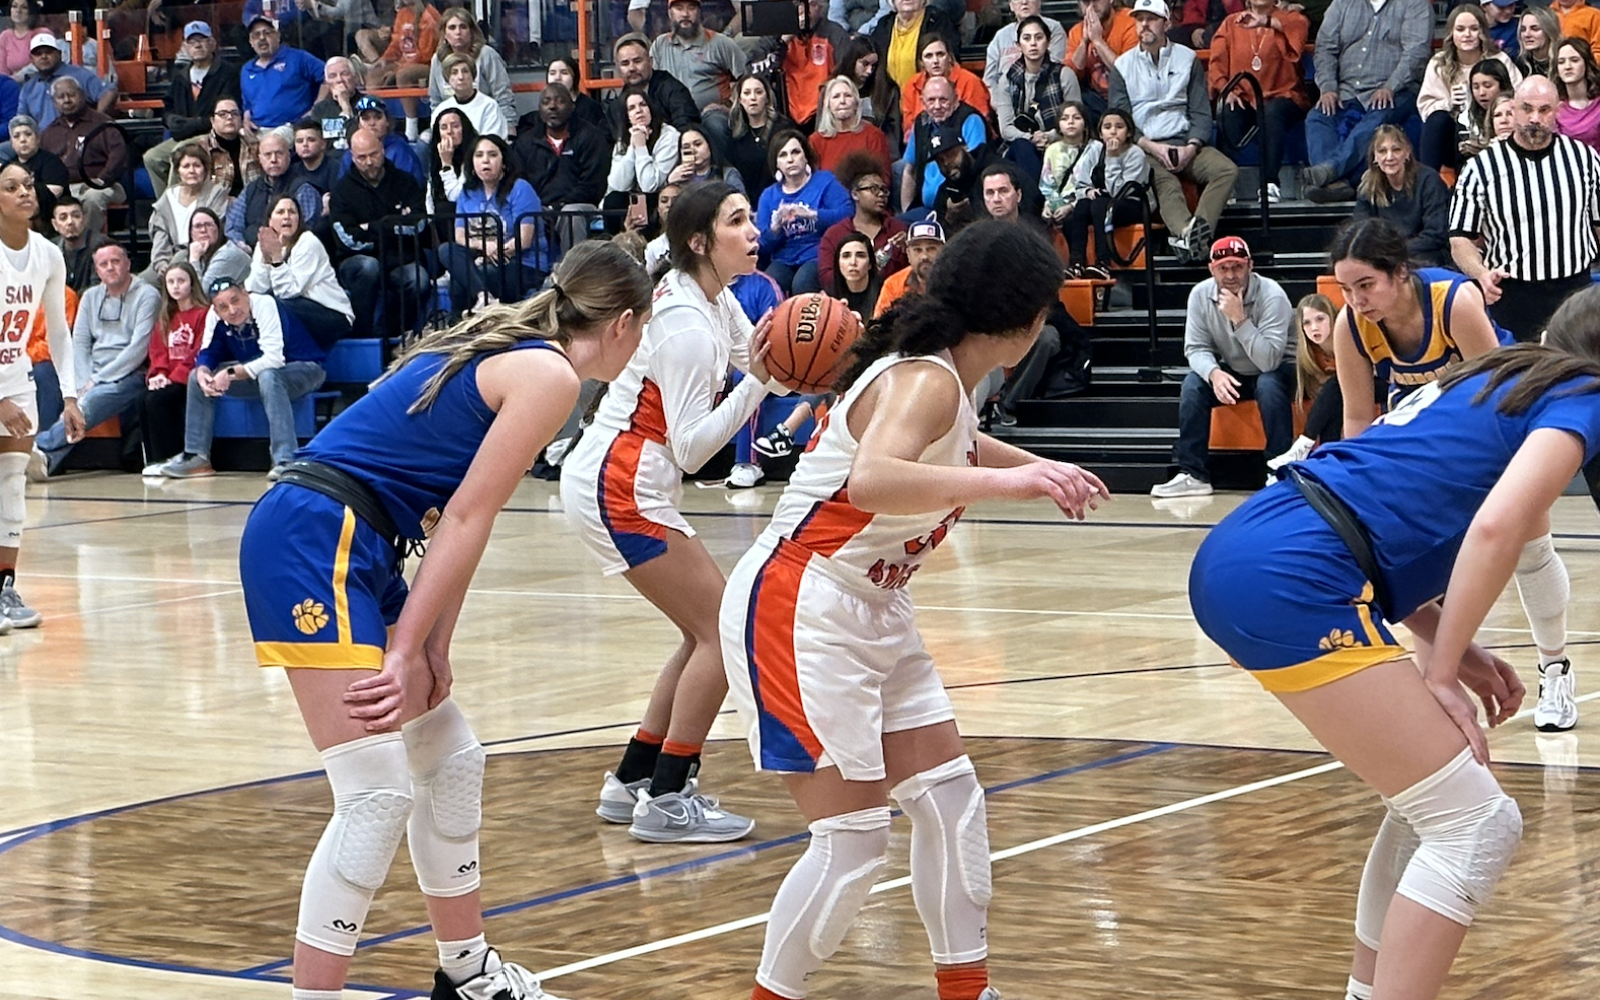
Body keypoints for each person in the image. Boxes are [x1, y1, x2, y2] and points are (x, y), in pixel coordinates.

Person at [235, 241, 650, 1000]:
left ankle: (469, 975)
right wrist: (405, 648)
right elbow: (465, 516)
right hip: (313, 533)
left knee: (450, 758)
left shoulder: (519, 350)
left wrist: (431, 643)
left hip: (355, 537)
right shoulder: (550, 375)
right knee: (375, 793)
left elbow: (455, 520)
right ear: (624, 323)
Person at [722, 219, 1106, 1000]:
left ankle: (967, 991)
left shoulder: (945, 378)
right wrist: (1016, 485)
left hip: (871, 603)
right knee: (853, 843)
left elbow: (955, 444)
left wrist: (1041, 464)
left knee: (953, 802)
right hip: (802, 601)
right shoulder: (927, 379)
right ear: (1031, 321)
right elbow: (871, 480)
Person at [1187, 285, 1600, 1000]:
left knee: (1430, 805)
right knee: (1478, 824)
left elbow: (1384, 509)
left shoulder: (1486, 376)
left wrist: (1453, 645)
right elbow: (1499, 528)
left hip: (1265, 542)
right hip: (1296, 573)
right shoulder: (1582, 396)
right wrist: (1441, 670)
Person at [560, 181, 780, 844]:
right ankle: (669, 795)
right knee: (725, 629)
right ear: (699, 242)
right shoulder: (683, 325)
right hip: (622, 482)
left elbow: (765, 357)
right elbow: (690, 448)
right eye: (737, 221)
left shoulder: (714, 301)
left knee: (702, 633)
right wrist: (764, 386)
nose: (752, 229)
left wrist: (832, 354)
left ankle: (634, 780)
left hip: (621, 481)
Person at [1451, 75, 1600, 344]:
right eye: (1527, 108)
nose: (1534, 118)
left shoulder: (1585, 159)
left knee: (1575, 376)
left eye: (1544, 110)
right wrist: (1481, 274)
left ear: (1557, 112)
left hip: (1573, 290)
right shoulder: (1481, 167)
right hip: (1512, 293)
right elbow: (1459, 238)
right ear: (1514, 108)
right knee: (1519, 379)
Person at [0, 160, 81, 628]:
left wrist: (70, 396)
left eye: (27, 184)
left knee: (12, 483)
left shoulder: (48, 254)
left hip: (17, 376)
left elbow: (58, 332)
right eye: (11, 187)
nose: (24, 192)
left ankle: (4, 587)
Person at [1152, 235, 1294, 498]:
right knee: (1194, 384)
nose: (1231, 275)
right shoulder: (1200, 295)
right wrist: (1214, 373)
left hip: (1280, 369)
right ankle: (1193, 474)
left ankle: (1279, 470)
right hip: (1235, 369)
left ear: (1250, 266)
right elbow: (1195, 348)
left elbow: (1269, 361)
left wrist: (1239, 319)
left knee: (1268, 383)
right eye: (1223, 268)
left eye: (1237, 267)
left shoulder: (1273, 295)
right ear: (1212, 269)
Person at [154, 278, 328, 479]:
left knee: (269, 375)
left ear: (246, 294)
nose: (232, 310)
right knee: (195, 376)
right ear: (216, 310)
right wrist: (203, 371)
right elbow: (209, 351)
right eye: (223, 307)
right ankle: (196, 456)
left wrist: (230, 374)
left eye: (235, 300)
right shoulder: (214, 316)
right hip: (260, 375)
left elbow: (274, 358)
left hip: (305, 369)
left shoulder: (265, 304)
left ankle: (285, 458)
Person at [1108, 0, 1238, 263]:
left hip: (1184, 140)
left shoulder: (1187, 58)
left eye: (1151, 18)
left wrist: (1191, 147)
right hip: (1145, 145)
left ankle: (1192, 235)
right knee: (1166, 184)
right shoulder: (1122, 66)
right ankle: (1190, 234)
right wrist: (1154, 147)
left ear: (1166, 23)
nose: (1144, 24)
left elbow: (1201, 112)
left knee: (1226, 170)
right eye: (1139, 18)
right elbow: (1121, 120)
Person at [30, 244, 158, 478]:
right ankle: (45, 461)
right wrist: (82, 382)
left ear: (128, 264)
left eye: (116, 261)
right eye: (103, 264)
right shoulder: (90, 296)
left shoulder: (147, 295)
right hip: (91, 374)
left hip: (132, 374)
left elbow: (138, 349)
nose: (110, 267)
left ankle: (37, 447)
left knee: (90, 401)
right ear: (97, 270)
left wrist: (96, 381)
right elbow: (79, 343)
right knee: (69, 389)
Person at [1302, 0, 1433, 202]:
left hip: (1397, 90)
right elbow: (1325, 48)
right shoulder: (1342, 4)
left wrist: (1391, 86)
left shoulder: (1415, 4)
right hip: (1346, 91)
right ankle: (1335, 184)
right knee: (1317, 117)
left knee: (1378, 117)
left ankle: (1331, 171)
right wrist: (1328, 87)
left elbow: (1416, 53)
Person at [332, 129, 436, 340]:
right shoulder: (341, 191)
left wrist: (371, 227)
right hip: (357, 260)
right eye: (362, 157)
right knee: (370, 268)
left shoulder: (405, 181)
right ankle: (363, 335)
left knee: (420, 279)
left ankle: (395, 334)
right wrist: (393, 226)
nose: (369, 161)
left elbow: (419, 224)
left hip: (401, 258)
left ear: (382, 150)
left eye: (373, 154)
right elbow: (347, 239)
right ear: (352, 157)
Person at [1208, 0, 1311, 203]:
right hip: (1244, 97)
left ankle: (1270, 182)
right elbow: (1216, 66)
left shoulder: (1291, 18)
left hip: (1284, 96)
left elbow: (1297, 37)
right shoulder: (1231, 23)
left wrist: (1266, 21)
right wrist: (1226, 90)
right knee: (1228, 111)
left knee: (1272, 112)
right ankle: (1226, 186)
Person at [442, 134, 548, 316]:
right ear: (472, 164)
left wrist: (496, 251)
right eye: (479, 155)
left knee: (461, 281)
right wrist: (483, 247)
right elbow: (460, 237)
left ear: (504, 162)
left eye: (492, 155)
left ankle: (462, 322)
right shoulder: (467, 194)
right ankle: (484, 298)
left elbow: (524, 240)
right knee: (447, 250)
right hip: (483, 260)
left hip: (523, 264)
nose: (485, 160)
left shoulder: (520, 188)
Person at [1416, 5, 1523, 173]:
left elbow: (1518, 97)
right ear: (1452, 33)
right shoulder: (1439, 63)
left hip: (1492, 129)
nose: (1467, 35)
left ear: (1482, 32)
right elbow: (1425, 108)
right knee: (1437, 119)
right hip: (1453, 134)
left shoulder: (1499, 59)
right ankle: (1429, 182)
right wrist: (1449, 102)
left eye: (1474, 29)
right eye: (1460, 29)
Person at [143, 22, 242, 200]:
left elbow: (226, 110)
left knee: (181, 153)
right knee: (152, 158)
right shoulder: (180, 75)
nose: (197, 45)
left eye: (202, 40)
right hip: (184, 134)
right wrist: (170, 119)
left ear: (212, 43)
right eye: (192, 41)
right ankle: (166, 206)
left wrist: (192, 124)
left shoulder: (227, 72)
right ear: (186, 47)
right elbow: (168, 105)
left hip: (212, 136)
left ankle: (179, 208)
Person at [249, 194, 355, 347]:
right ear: (270, 220)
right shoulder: (265, 244)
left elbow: (289, 292)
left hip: (333, 316)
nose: (287, 217)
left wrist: (277, 260)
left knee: (274, 305)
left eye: (292, 212)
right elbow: (256, 289)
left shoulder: (307, 242)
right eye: (280, 212)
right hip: (297, 313)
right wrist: (265, 260)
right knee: (254, 304)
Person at [756, 129, 853, 294]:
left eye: (795, 152)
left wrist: (811, 214)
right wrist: (775, 229)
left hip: (817, 252)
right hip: (783, 258)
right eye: (783, 155)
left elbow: (848, 214)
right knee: (770, 284)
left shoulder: (825, 181)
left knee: (803, 282)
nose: (790, 159)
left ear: (805, 156)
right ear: (776, 163)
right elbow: (762, 245)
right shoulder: (769, 196)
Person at [512, 84, 608, 246]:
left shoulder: (590, 136)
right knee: (525, 213)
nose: (552, 107)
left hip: (578, 206)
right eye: (546, 102)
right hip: (539, 207)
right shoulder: (525, 142)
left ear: (572, 107)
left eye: (560, 101)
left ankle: (571, 270)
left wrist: (558, 206)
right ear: (539, 109)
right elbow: (519, 182)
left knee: (571, 215)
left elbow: (593, 185)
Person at [1061, 107, 1147, 279]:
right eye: (1107, 127)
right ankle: (1076, 263)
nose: (1113, 131)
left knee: (1100, 204)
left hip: (1132, 204)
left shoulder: (1136, 154)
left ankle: (1103, 263)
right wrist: (1088, 191)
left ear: (1129, 132)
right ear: (1101, 134)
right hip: (1101, 204)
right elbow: (1080, 186)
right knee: (1082, 207)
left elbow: (1120, 191)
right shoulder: (1095, 151)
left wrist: (1113, 157)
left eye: (1119, 127)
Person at [994, 16, 1082, 182]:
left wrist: (1049, 136)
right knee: (1022, 147)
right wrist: (1031, 139)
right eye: (1026, 38)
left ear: (1048, 42)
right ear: (1019, 45)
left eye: (1039, 37)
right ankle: (1035, 200)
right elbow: (1006, 128)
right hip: (1021, 146)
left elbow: (1077, 119)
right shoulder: (1007, 79)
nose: (1033, 43)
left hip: (1060, 141)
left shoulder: (1064, 75)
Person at [139, 262, 208, 471]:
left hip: (189, 376)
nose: (176, 286)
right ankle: (153, 459)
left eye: (181, 281)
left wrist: (173, 377)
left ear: (192, 284)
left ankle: (170, 456)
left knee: (159, 401)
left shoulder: (203, 314)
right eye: (171, 282)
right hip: (168, 377)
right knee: (142, 400)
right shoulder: (166, 317)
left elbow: (198, 350)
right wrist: (158, 374)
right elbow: (158, 351)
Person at [1353, 126, 1452, 266]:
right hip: (1384, 255)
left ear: (1407, 153)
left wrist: (1394, 251)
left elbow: (1436, 233)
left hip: (1424, 253)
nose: (1389, 157)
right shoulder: (1368, 185)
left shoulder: (1428, 179)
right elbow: (1362, 230)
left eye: (1396, 150)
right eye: (1382, 151)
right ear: (1375, 157)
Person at [38, 77, 125, 236]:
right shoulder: (49, 132)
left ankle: (86, 246)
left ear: (82, 95)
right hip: (65, 188)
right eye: (60, 97)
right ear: (54, 102)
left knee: (93, 197)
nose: (66, 100)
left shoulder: (103, 123)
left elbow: (119, 155)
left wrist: (100, 180)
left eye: (71, 95)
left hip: (103, 185)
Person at [1266, 293, 1342, 470]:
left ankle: (1304, 444)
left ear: (1332, 317)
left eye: (1320, 319)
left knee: (1335, 384)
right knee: (1333, 402)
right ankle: (1325, 463)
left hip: (1376, 383)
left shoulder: (1346, 339)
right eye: (1307, 323)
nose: (1314, 327)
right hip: (1338, 396)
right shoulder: (1308, 352)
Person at [225, 132, 324, 263]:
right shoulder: (251, 189)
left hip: (290, 256)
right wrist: (243, 246)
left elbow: (303, 229)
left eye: (279, 153)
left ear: (288, 156)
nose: (273, 159)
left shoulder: (303, 188)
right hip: (249, 254)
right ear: (259, 158)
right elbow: (232, 226)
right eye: (267, 155)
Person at [817, 151, 908, 291]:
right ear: (855, 194)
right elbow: (826, 279)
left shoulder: (898, 230)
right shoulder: (835, 234)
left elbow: (909, 275)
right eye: (873, 189)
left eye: (884, 190)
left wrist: (909, 249)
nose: (881, 194)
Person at [145, 142, 230, 284]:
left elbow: (213, 233)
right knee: (143, 284)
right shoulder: (168, 198)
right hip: (169, 257)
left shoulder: (216, 194)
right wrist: (162, 264)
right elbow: (160, 237)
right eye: (186, 166)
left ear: (205, 170)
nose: (192, 170)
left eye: (197, 165)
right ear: (178, 171)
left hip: (204, 256)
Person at [902, 76, 987, 214]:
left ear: (955, 99)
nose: (937, 106)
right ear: (923, 102)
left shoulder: (970, 119)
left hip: (958, 209)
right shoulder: (920, 122)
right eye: (931, 100)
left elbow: (977, 167)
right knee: (900, 224)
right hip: (925, 209)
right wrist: (906, 209)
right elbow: (909, 170)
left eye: (943, 100)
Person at [428, 7, 517, 138]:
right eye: (452, 28)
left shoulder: (487, 55)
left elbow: (503, 96)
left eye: (463, 27)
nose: (458, 32)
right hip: (449, 129)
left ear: (471, 32)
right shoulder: (437, 60)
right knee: (422, 144)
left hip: (485, 123)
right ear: (444, 34)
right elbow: (435, 102)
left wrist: (510, 128)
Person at [650, 0, 746, 114]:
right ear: (670, 13)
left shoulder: (721, 43)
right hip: (673, 116)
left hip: (712, 115)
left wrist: (729, 106)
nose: (685, 14)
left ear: (699, 12)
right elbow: (652, 84)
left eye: (691, 8)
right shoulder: (660, 44)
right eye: (679, 9)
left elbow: (747, 79)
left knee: (716, 123)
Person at [365, 0, 441, 140]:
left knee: (404, 75)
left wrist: (397, 69)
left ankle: (412, 126)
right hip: (403, 62)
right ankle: (376, 124)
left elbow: (426, 54)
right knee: (373, 75)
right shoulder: (402, 14)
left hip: (428, 64)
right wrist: (384, 60)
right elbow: (395, 44)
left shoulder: (430, 15)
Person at [240, 16, 325, 135]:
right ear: (251, 42)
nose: (262, 38)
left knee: (273, 143)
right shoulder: (247, 69)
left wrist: (316, 108)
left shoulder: (298, 58)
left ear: (278, 36)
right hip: (257, 129)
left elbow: (328, 76)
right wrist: (246, 120)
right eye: (256, 35)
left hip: (291, 127)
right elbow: (247, 105)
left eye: (267, 33)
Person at [609, 32, 700, 140]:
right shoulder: (617, 105)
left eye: (637, 61)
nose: (632, 68)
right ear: (618, 69)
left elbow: (686, 126)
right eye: (625, 63)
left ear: (650, 62)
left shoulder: (672, 89)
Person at [606, 86, 681, 211]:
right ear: (627, 116)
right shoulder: (623, 139)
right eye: (632, 108)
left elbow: (650, 186)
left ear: (651, 109)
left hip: (659, 197)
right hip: (634, 196)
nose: (639, 110)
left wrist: (641, 147)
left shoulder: (669, 135)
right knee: (613, 200)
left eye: (643, 105)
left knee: (648, 199)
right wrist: (632, 146)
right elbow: (618, 185)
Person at [17, 32, 112, 129]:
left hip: (76, 136)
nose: (43, 56)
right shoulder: (28, 88)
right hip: (42, 140)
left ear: (59, 54)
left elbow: (109, 92)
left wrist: (95, 121)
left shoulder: (79, 74)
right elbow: (22, 121)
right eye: (38, 54)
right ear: (31, 59)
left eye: (49, 52)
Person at [901, 34, 992, 133]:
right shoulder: (912, 84)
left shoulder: (970, 81)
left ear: (949, 57)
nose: (935, 61)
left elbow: (979, 122)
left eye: (940, 54)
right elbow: (909, 128)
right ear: (921, 62)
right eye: (929, 56)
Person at [1066, 0, 1141, 119]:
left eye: (1096, 0)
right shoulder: (1076, 32)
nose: (1091, 7)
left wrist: (1097, 40)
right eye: (1086, 2)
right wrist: (1084, 42)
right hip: (1096, 99)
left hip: (1129, 93)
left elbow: (1128, 71)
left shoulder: (1129, 21)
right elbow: (1069, 76)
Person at [808, 76, 889, 180]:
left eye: (848, 96)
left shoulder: (874, 136)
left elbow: (883, 177)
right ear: (828, 105)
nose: (842, 101)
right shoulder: (816, 141)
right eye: (836, 96)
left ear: (856, 103)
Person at [985, 0, 1067, 92]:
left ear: (1039, 2)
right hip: (1004, 95)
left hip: (1044, 92)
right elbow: (989, 79)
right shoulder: (1001, 36)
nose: (1024, 2)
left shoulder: (1053, 29)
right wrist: (998, 102)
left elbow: (1054, 70)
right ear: (1011, 5)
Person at [188, 96, 258, 199]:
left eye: (234, 113)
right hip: (214, 206)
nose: (229, 118)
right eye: (222, 114)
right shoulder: (200, 149)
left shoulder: (255, 146)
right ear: (212, 121)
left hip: (252, 204)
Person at [430, 52, 508, 141]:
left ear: (473, 76)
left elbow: (492, 142)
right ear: (447, 79)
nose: (461, 77)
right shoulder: (442, 109)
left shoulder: (489, 106)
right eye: (454, 72)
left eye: (465, 71)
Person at [875, 217, 943, 314]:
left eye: (931, 249)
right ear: (908, 254)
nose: (924, 256)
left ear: (943, 250)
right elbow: (879, 325)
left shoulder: (956, 281)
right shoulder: (893, 285)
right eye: (917, 250)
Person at [1039, 101, 1089, 227]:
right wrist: (1048, 206)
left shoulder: (1096, 148)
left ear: (1085, 123)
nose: (1070, 122)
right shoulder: (1052, 149)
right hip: (1059, 203)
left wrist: (1071, 207)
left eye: (1076, 118)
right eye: (1065, 118)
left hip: (1084, 203)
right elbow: (1047, 185)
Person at [4, 113, 62, 221]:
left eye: (28, 134)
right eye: (16, 136)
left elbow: (54, 193)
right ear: (11, 143)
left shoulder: (51, 162)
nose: (23, 140)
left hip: (47, 219)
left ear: (38, 138)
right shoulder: (9, 166)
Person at [1457, 60, 1517, 161]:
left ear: (1502, 86)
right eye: (1476, 87)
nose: (1481, 93)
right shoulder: (1466, 120)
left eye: (1488, 86)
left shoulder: (1520, 111)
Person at [48, 195, 109, 292]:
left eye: (76, 216)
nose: (70, 222)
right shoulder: (50, 249)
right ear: (55, 224)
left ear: (84, 220)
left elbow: (99, 288)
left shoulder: (102, 246)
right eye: (63, 218)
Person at [184, 207, 248, 290]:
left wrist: (194, 259)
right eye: (198, 226)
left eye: (208, 225)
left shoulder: (227, 254)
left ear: (218, 229)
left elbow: (202, 295)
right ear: (191, 233)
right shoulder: (189, 254)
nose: (203, 230)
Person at [1555, 37, 1600, 152]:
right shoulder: (1555, 108)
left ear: (1586, 63)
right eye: (1561, 62)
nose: (1567, 66)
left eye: (1574, 60)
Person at [543, 56, 608, 136]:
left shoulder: (590, 107)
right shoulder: (544, 107)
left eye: (564, 72)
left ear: (575, 77)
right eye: (552, 73)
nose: (557, 78)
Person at [311, 55, 363, 152]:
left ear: (355, 78)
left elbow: (363, 141)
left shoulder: (367, 104)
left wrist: (346, 107)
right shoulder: (320, 109)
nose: (339, 80)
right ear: (327, 83)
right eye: (332, 76)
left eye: (344, 74)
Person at [669, 123, 743, 191]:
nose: (693, 150)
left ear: (709, 145)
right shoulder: (676, 178)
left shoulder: (727, 174)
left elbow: (741, 202)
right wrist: (671, 183)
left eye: (698, 144)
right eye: (686, 147)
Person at [828, 229, 883, 317]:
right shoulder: (828, 298)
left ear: (870, 264)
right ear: (838, 263)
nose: (853, 262)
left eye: (860, 255)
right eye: (846, 256)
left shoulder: (885, 293)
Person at [290, 118, 339, 199]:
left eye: (311, 140)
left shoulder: (335, 168)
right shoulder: (292, 170)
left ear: (323, 144)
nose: (305, 144)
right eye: (299, 141)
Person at [0, 1, 44, 80]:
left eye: (24, 7)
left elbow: (44, 63)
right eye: (14, 6)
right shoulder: (5, 36)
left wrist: (20, 76)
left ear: (31, 11)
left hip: (38, 83)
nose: (18, 10)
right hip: (12, 85)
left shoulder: (41, 33)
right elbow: (2, 71)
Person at [1517, 5, 1561, 78]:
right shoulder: (1520, 64)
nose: (1527, 34)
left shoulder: (1563, 59)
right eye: (1523, 29)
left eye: (1535, 29)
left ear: (1549, 31)